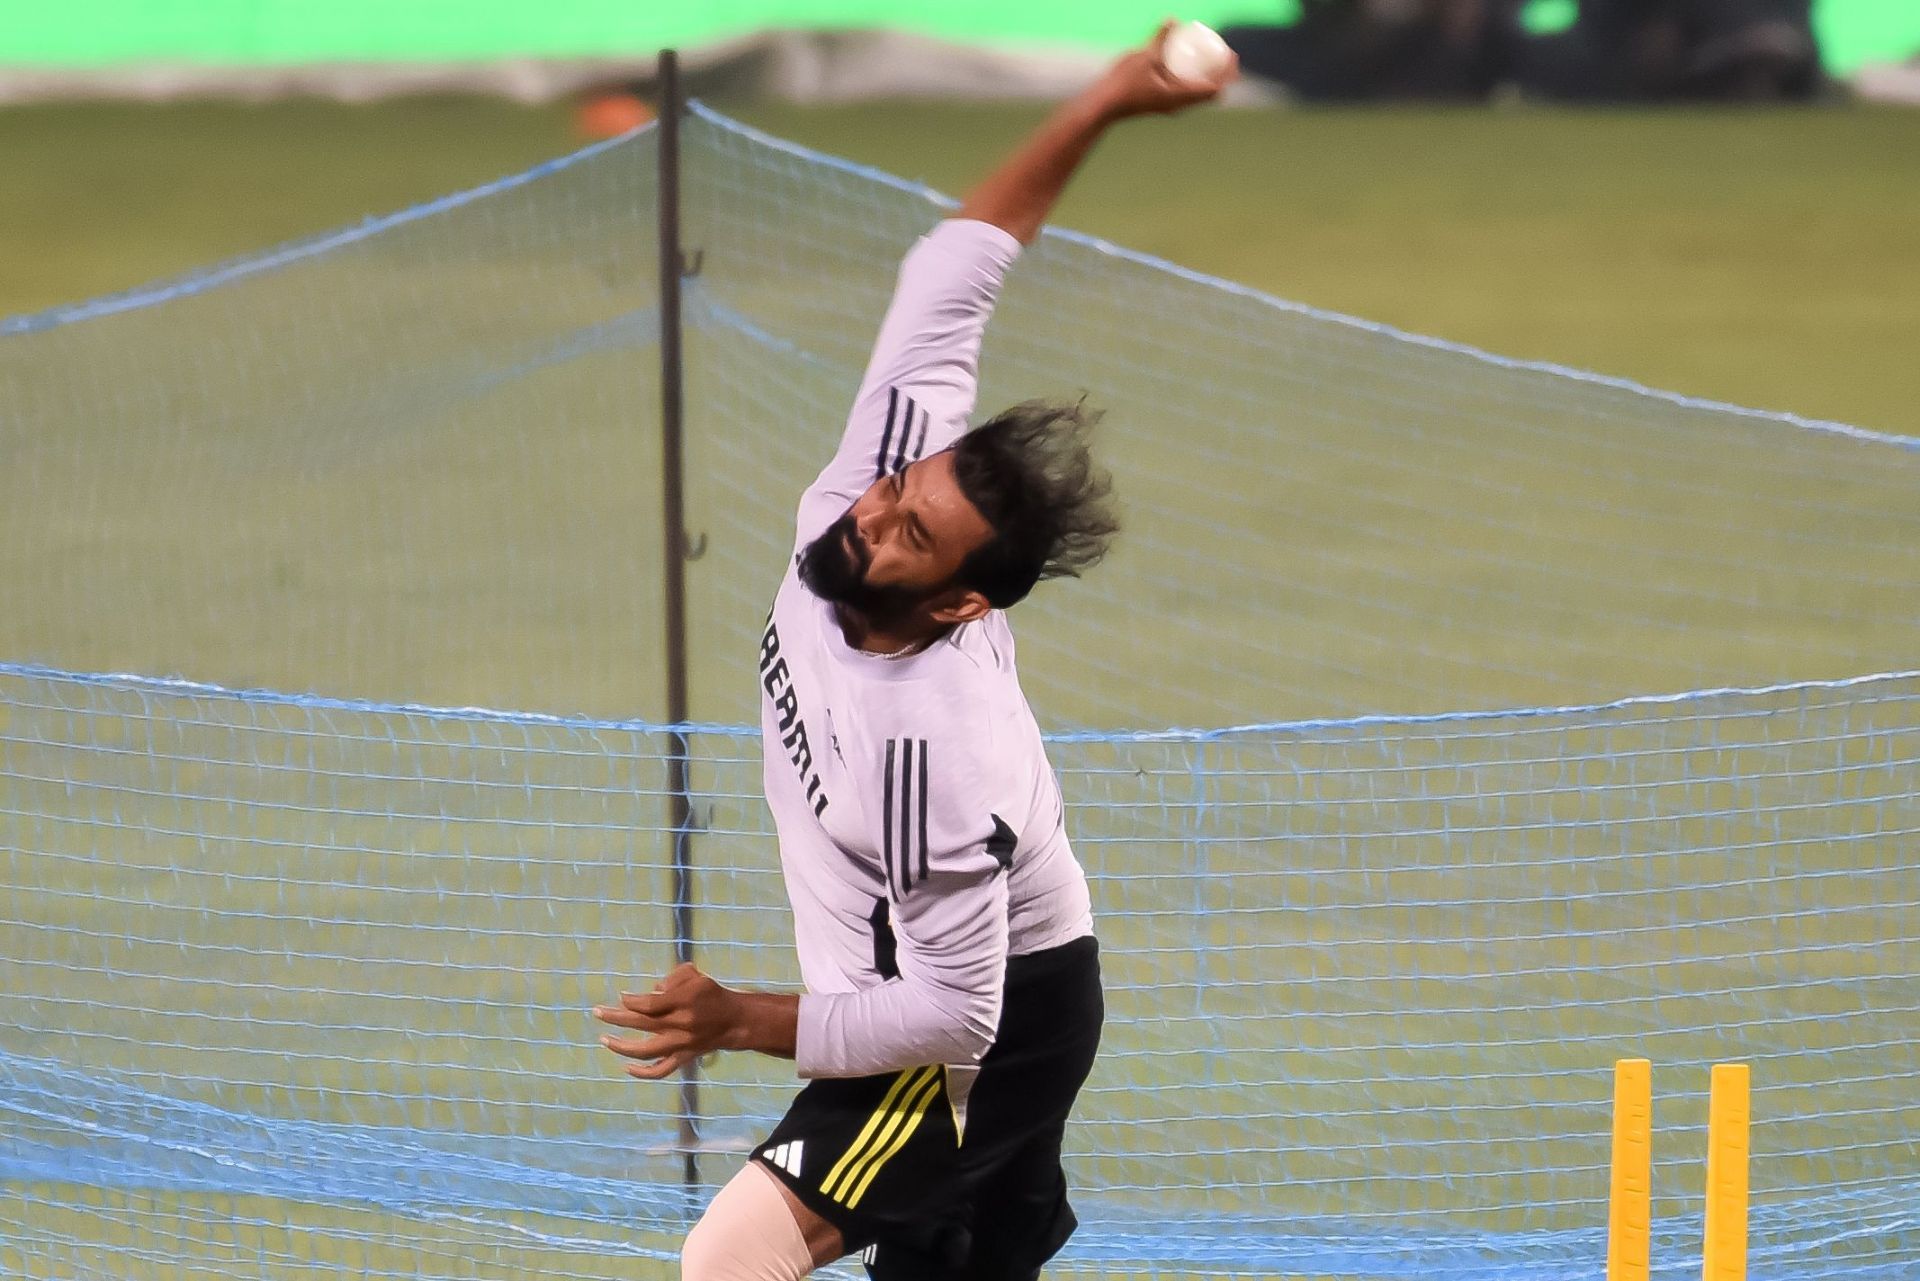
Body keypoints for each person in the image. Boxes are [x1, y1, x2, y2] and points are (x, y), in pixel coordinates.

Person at [592, 25, 1237, 1281]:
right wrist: (1104, 97)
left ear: (958, 606)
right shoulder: (875, 469)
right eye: (898, 491)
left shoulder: (931, 749)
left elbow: (955, 1014)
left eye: (912, 535)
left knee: (727, 1261)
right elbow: (959, 268)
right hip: (953, 992)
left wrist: (740, 1019)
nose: (870, 515)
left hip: (971, 1040)